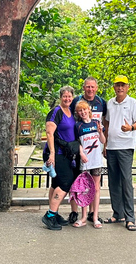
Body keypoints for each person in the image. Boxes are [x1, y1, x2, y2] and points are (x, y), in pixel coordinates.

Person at [42, 86, 87, 230]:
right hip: (57, 153)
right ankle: (50, 215)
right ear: (60, 97)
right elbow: (49, 133)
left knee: (56, 184)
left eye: (69, 96)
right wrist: (53, 154)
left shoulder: (70, 112)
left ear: (72, 97)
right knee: (65, 183)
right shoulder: (56, 112)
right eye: (64, 96)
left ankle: (53, 214)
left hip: (67, 154)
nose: (67, 99)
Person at [103, 75, 136, 231]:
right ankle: (117, 213)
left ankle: (130, 218)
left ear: (128, 87)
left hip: (125, 147)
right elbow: (106, 122)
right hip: (111, 146)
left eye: (123, 85)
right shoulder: (109, 103)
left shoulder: (132, 102)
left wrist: (130, 128)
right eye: (117, 85)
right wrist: (105, 142)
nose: (120, 88)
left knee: (126, 181)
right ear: (114, 87)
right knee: (113, 181)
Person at [69, 76, 107, 224]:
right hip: (83, 152)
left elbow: (105, 124)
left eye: (93, 87)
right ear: (84, 88)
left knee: (96, 186)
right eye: (87, 87)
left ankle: (93, 215)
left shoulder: (101, 102)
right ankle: (77, 213)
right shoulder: (76, 101)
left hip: (96, 153)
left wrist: (104, 140)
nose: (90, 89)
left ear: (96, 88)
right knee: (83, 184)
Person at [73, 100, 105, 229]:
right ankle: (84, 216)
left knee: (96, 188)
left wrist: (100, 132)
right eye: (80, 111)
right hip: (85, 161)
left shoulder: (96, 123)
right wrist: (81, 154)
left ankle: (95, 217)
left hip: (96, 160)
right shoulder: (78, 126)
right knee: (84, 189)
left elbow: (103, 140)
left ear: (89, 110)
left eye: (84, 109)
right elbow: (77, 143)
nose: (83, 112)